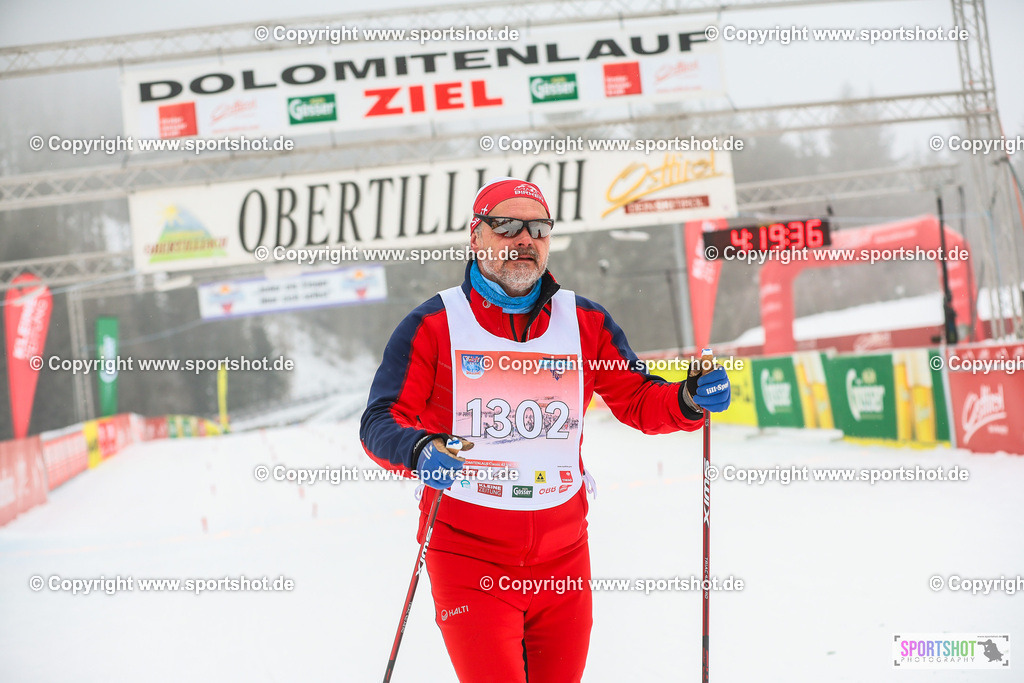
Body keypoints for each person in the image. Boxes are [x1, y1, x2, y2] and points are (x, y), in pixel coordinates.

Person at [361, 177, 731, 682]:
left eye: (537, 228)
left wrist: (687, 399)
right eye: (506, 225)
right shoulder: (433, 324)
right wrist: (419, 447)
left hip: (564, 559)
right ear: (476, 237)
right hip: (469, 558)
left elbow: (639, 398)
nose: (524, 239)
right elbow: (379, 421)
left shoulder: (584, 321)